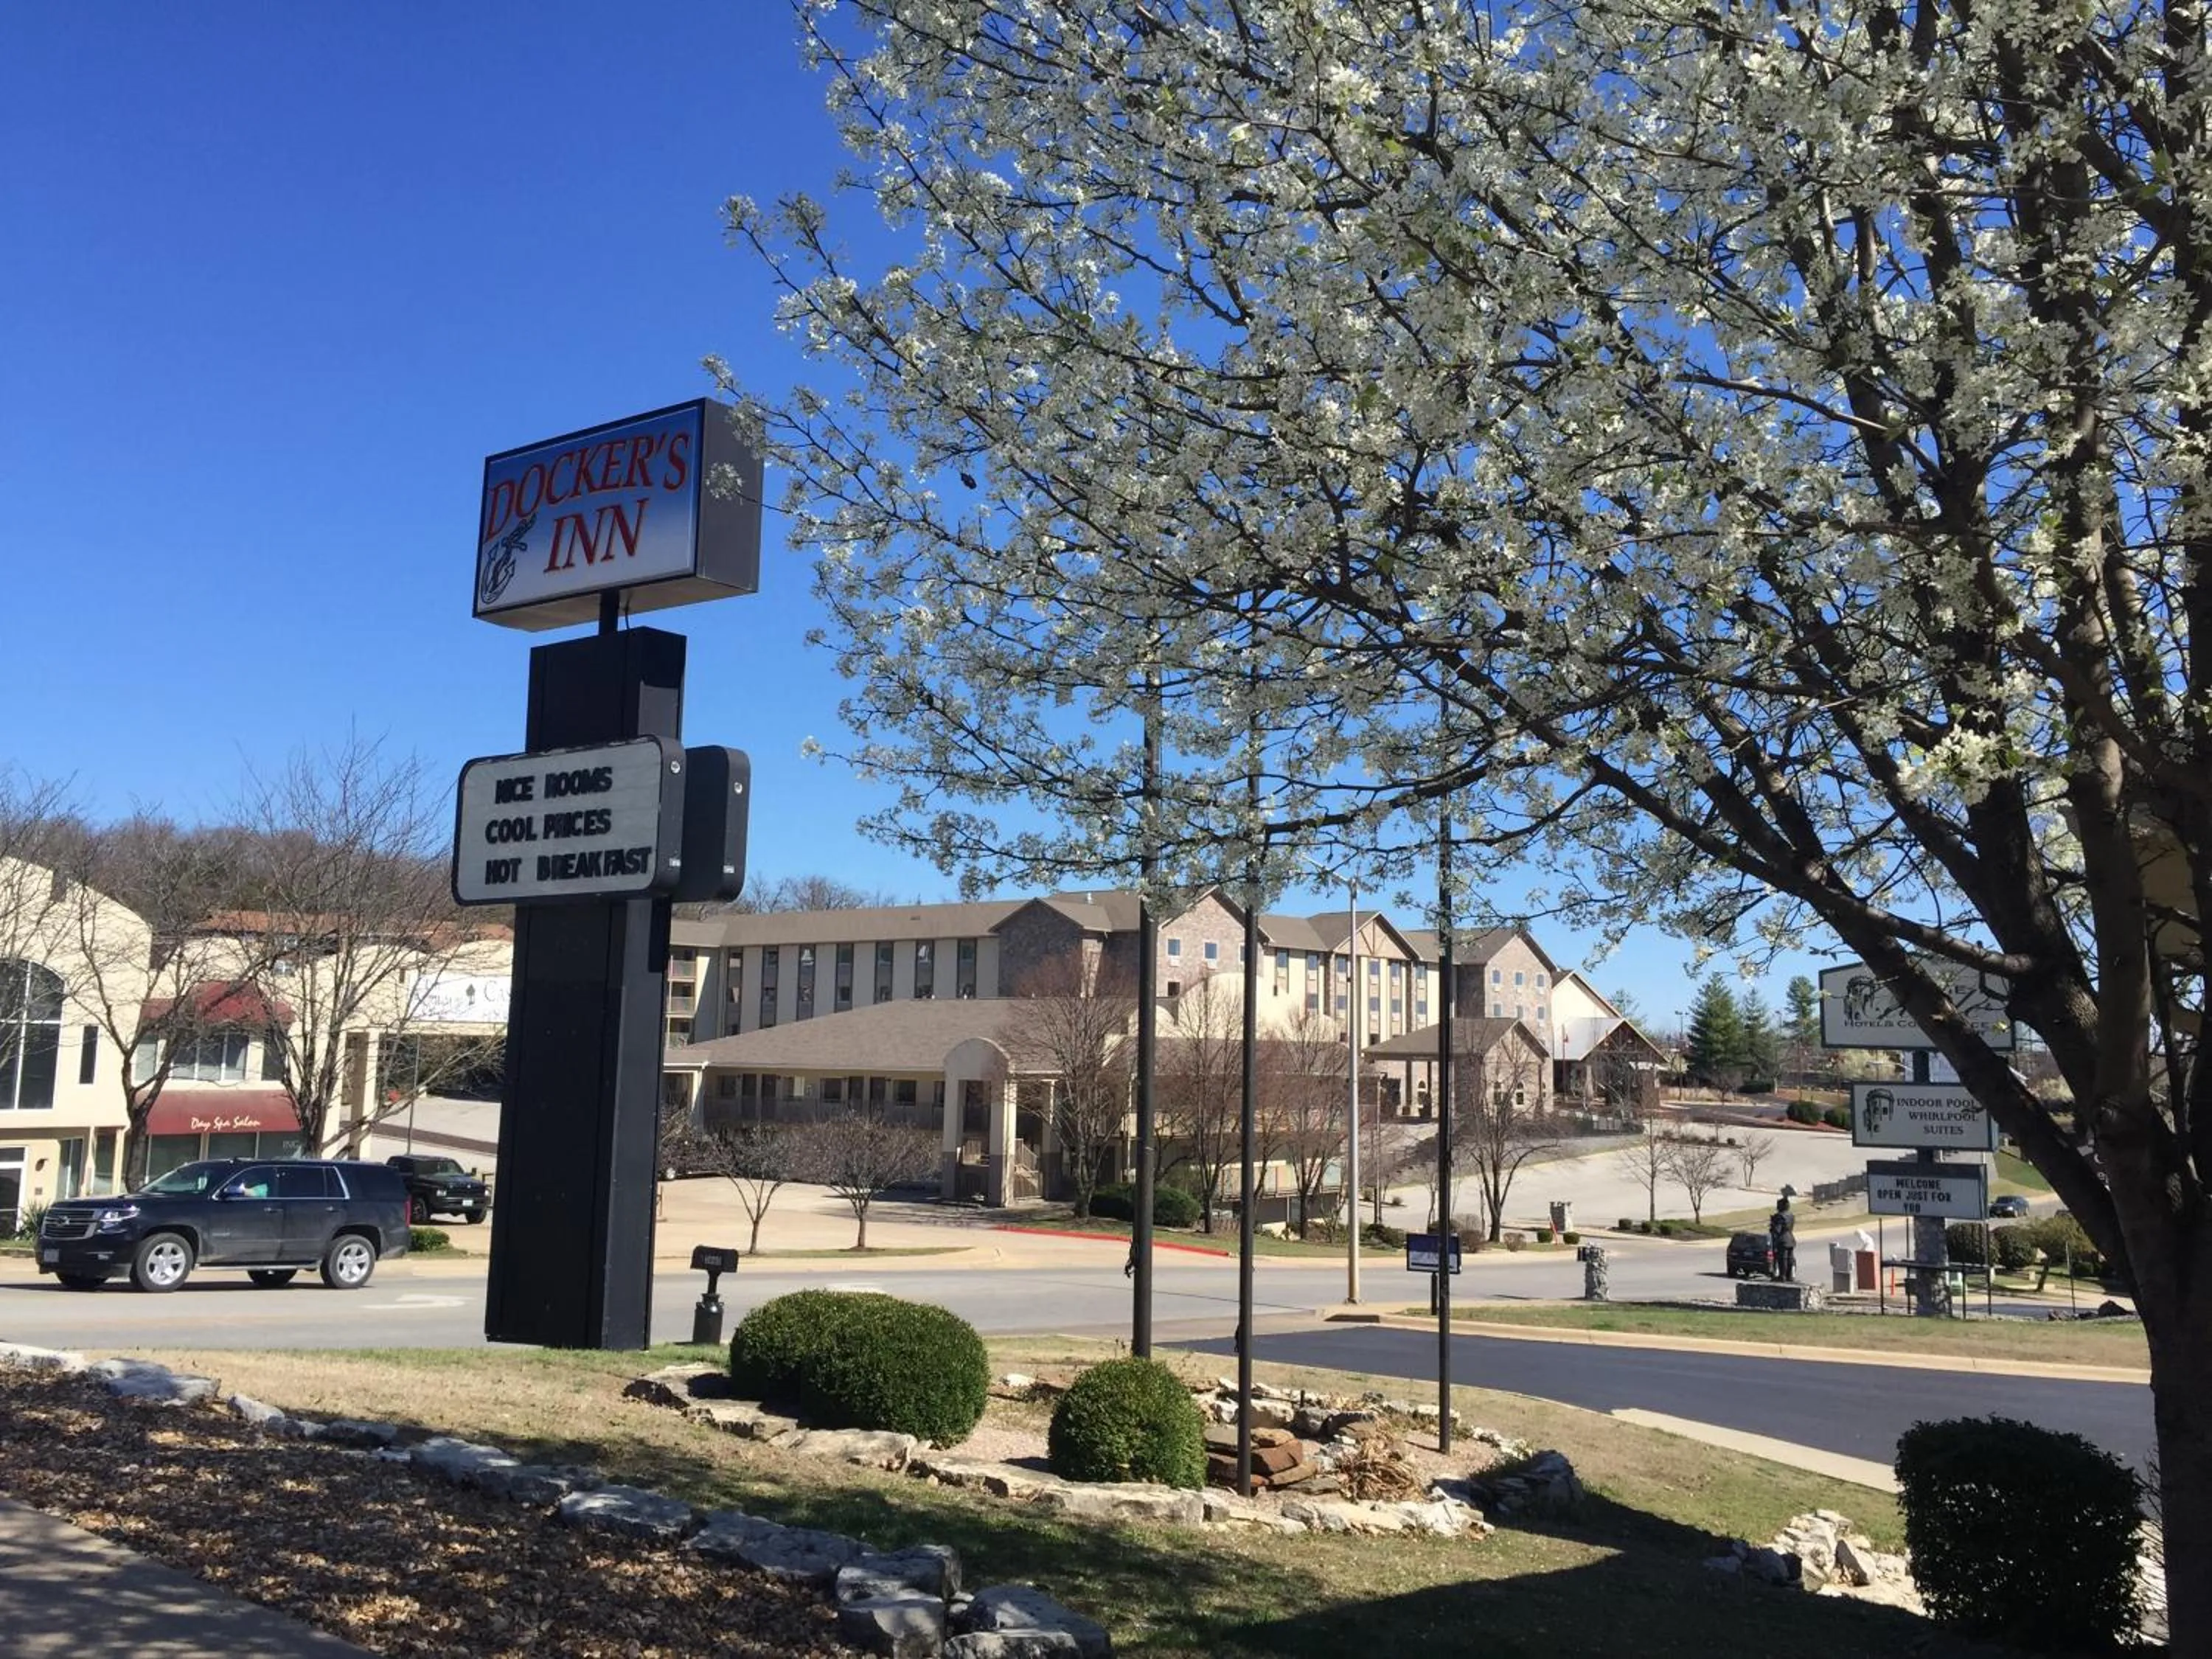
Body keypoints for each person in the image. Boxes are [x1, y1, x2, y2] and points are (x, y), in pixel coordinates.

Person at [1769, 1194, 1798, 1281]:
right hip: (1791, 1239)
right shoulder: (1791, 1215)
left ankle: (1783, 1276)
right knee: (1790, 1258)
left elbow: (1778, 1230)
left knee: (1783, 1259)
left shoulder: (1780, 1216)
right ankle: (1790, 1276)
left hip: (1783, 1240)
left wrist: (1773, 1225)